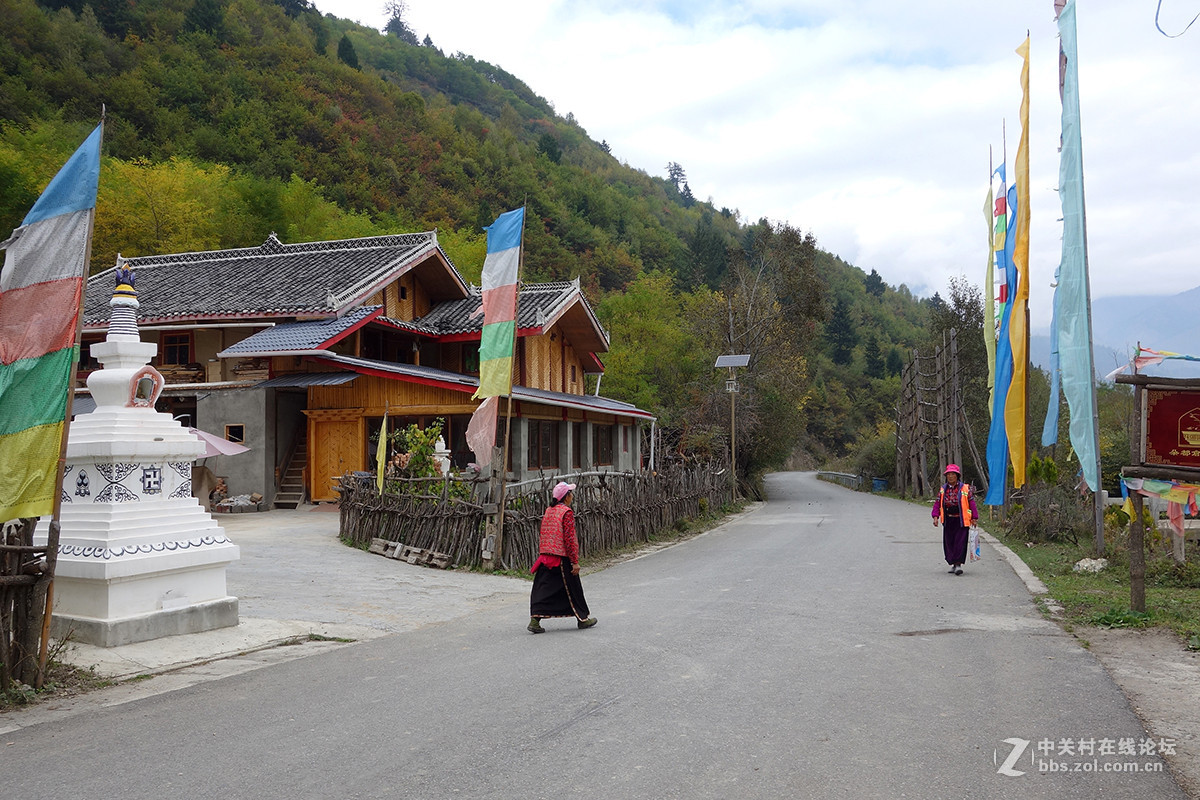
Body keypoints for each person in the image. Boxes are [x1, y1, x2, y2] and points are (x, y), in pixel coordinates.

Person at [527, 481, 598, 633]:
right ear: (566, 497)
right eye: (570, 493)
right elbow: (570, 538)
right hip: (561, 558)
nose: (572, 496)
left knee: (543, 589)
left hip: (546, 556)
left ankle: (535, 620)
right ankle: (583, 619)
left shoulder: (549, 511)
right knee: (574, 589)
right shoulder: (566, 513)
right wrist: (574, 561)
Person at [932, 464, 977, 575]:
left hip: (961, 520)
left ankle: (958, 564)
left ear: (957, 476)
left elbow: (971, 503)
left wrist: (974, 517)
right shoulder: (943, 489)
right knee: (949, 542)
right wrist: (935, 516)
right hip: (948, 519)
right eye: (948, 474)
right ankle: (952, 563)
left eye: (953, 474)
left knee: (960, 542)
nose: (950, 476)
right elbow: (937, 503)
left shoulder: (965, 488)